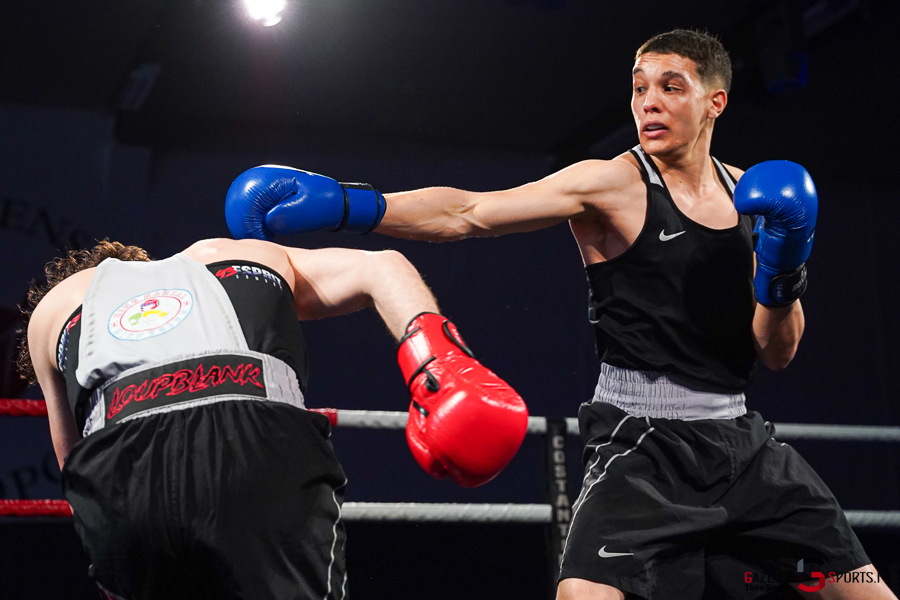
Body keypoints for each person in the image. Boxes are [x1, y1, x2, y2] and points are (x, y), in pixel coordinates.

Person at [223, 29, 897, 600]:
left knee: (864, 591)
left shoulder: (754, 199)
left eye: (670, 86)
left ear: (714, 100)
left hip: (743, 445)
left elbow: (775, 352)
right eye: (639, 87)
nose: (648, 102)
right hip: (642, 446)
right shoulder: (612, 183)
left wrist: (784, 274)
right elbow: (471, 212)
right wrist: (352, 205)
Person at [18, 237, 527, 600]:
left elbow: (75, 463)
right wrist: (436, 370)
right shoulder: (235, 252)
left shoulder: (52, 313)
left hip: (121, 475)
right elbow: (383, 266)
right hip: (254, 442)